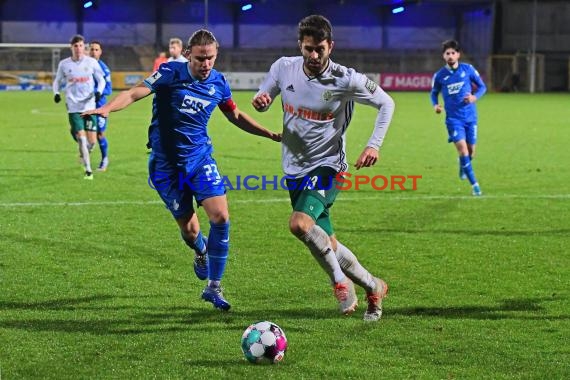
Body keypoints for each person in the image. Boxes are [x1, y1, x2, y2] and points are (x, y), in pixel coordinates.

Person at [83, 29, 280, 311]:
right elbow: (135, 91)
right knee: (190, 231)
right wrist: (109, 108)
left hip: (200, 160)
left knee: (221, 216)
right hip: (165, 166)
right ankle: (201, 250)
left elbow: (234, 115)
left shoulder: (219, 83)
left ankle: (214, 287)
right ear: (188, 54)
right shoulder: (169, 73)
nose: (206, 64)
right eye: (200, 58)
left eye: (210, 58)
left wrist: (268, 133)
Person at [252, 15, 393, 322]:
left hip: (329, 166)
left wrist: (373, 144)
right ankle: (374, 286)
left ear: (331, 46)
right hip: (294, 168)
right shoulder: (283, 67)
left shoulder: (347, 79)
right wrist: (261, 100)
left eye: (319, 49)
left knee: (299, 225)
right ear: (299, 46)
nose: (313, 56)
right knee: (326, 243)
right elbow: (265, 93)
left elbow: (387, 103)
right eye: (307, 49)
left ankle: (339, 283)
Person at [430, 39, 486, 196]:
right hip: (453, 120)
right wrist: (435, 105)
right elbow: (434, 93)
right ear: (443, 56)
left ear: (458, 55)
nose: (450, 56)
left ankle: (463, 165)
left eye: (453, 53)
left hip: (470, 118)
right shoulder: (440, 76)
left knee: (471, 152)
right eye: (447, 53)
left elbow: (482, 87)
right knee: (463, 150)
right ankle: (475, 185)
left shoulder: (468, 69)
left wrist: (474, 97)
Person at [53, 34, 106, 180]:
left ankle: (84, 154)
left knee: (92, 142)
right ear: (71, 48)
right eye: (75, 46)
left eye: (81, 45)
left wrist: (99, 92)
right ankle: (88, 171)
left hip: (89, 106)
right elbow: (57, 81)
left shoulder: (91, 63)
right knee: (82, 140)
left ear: (84, 47)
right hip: (73, 106)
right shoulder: (64, 64)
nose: (78, 48)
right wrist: (56, 93)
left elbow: (101, 80)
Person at [89, 40, 112, 171]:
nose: (93, 52)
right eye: (91, 49)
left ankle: (104, 159)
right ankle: (88, 145)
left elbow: (108, 89)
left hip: (99, 105)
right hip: (85, 104)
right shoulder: (84, 66)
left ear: (100, 52)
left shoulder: (103, 69)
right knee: (75, 129)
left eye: (96, 50)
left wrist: (97, 93)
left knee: (99, 134)